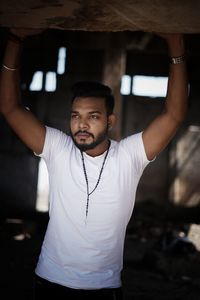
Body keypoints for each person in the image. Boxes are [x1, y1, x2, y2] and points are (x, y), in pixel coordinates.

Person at [0, 28, 188, 300]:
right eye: (76, 115)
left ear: (110, 121)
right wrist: (15, 40)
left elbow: (174, 114)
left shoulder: (129, 156)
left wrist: (175, 45)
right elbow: (10, 107)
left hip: (104, 290)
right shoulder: (58, 148)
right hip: (48, 283)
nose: (82, 124)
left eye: (93, 116)